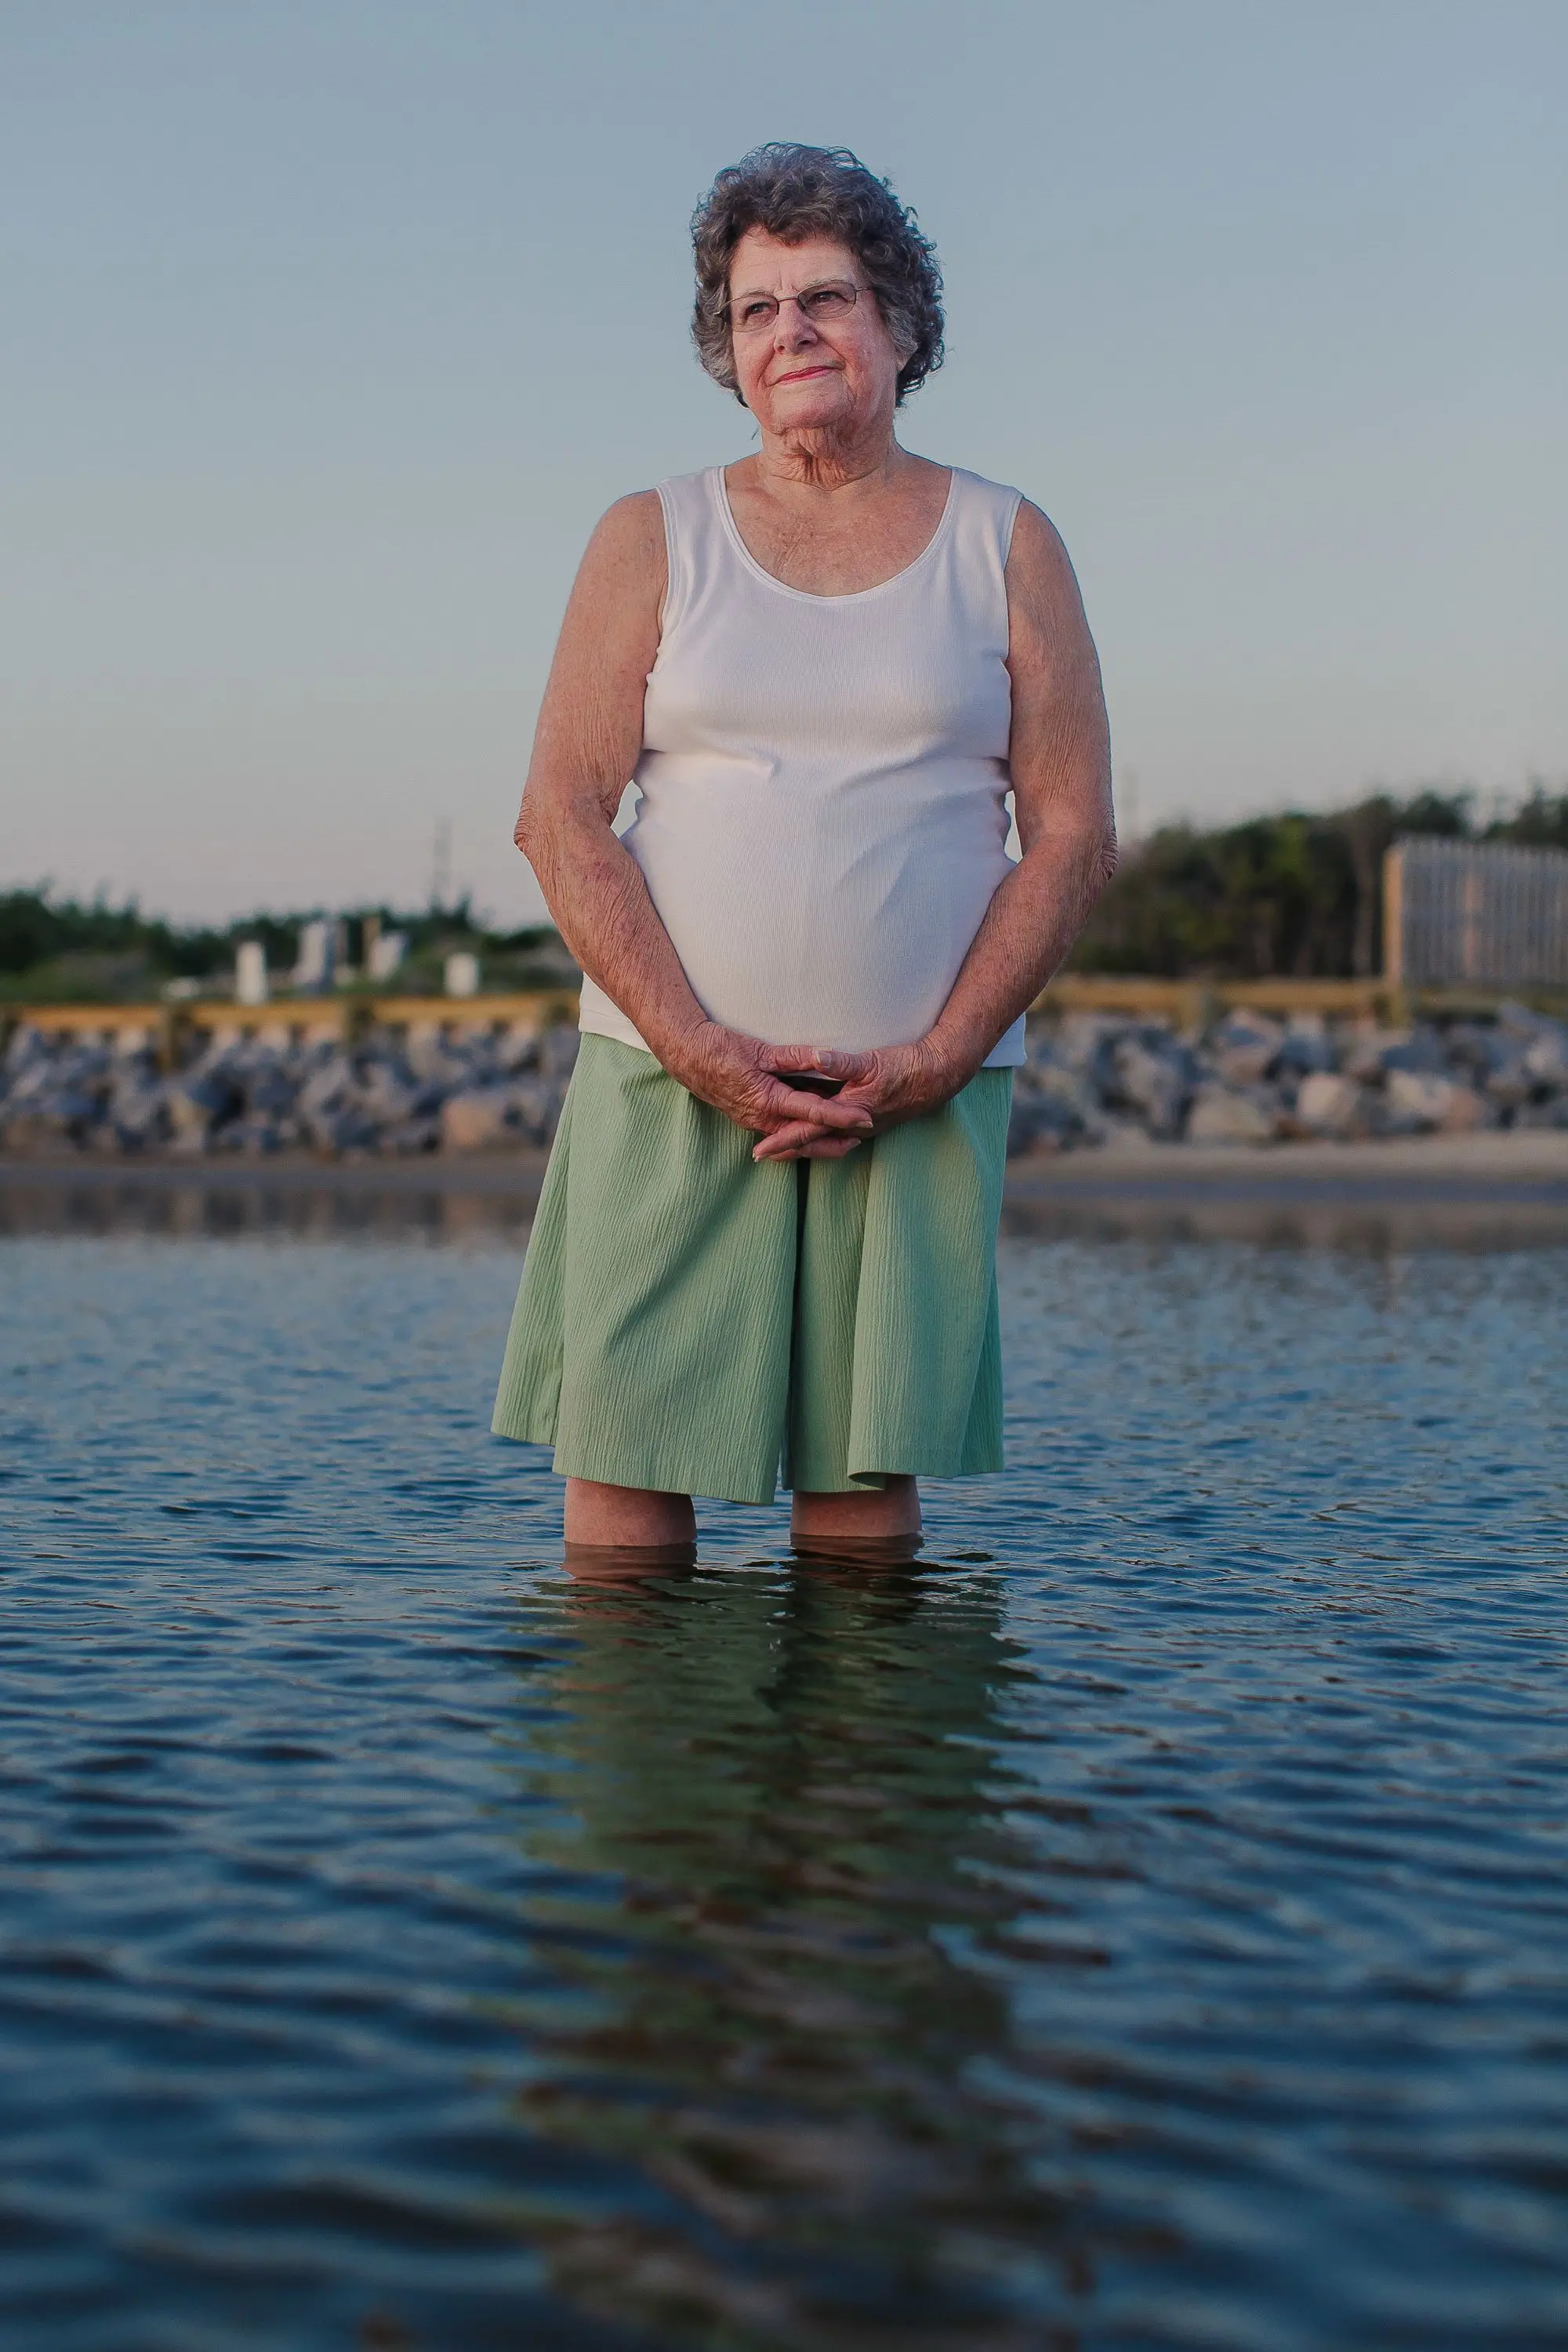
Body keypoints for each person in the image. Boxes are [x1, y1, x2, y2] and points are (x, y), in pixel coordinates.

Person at [493, 142, 1114, 1562]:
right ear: (727, 346)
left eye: (825, 298)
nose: (791, 333)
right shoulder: (650, 534)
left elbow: (1071, 833)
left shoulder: (1009, 543)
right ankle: (660, 1784)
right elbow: (560, 813)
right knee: (627, 1469)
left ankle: (859, 1783)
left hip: (912, 1088)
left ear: (900, 323)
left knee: (860, 1485)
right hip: (668, 1076)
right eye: (756, 308)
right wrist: (697, 1043)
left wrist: (943, 1056)